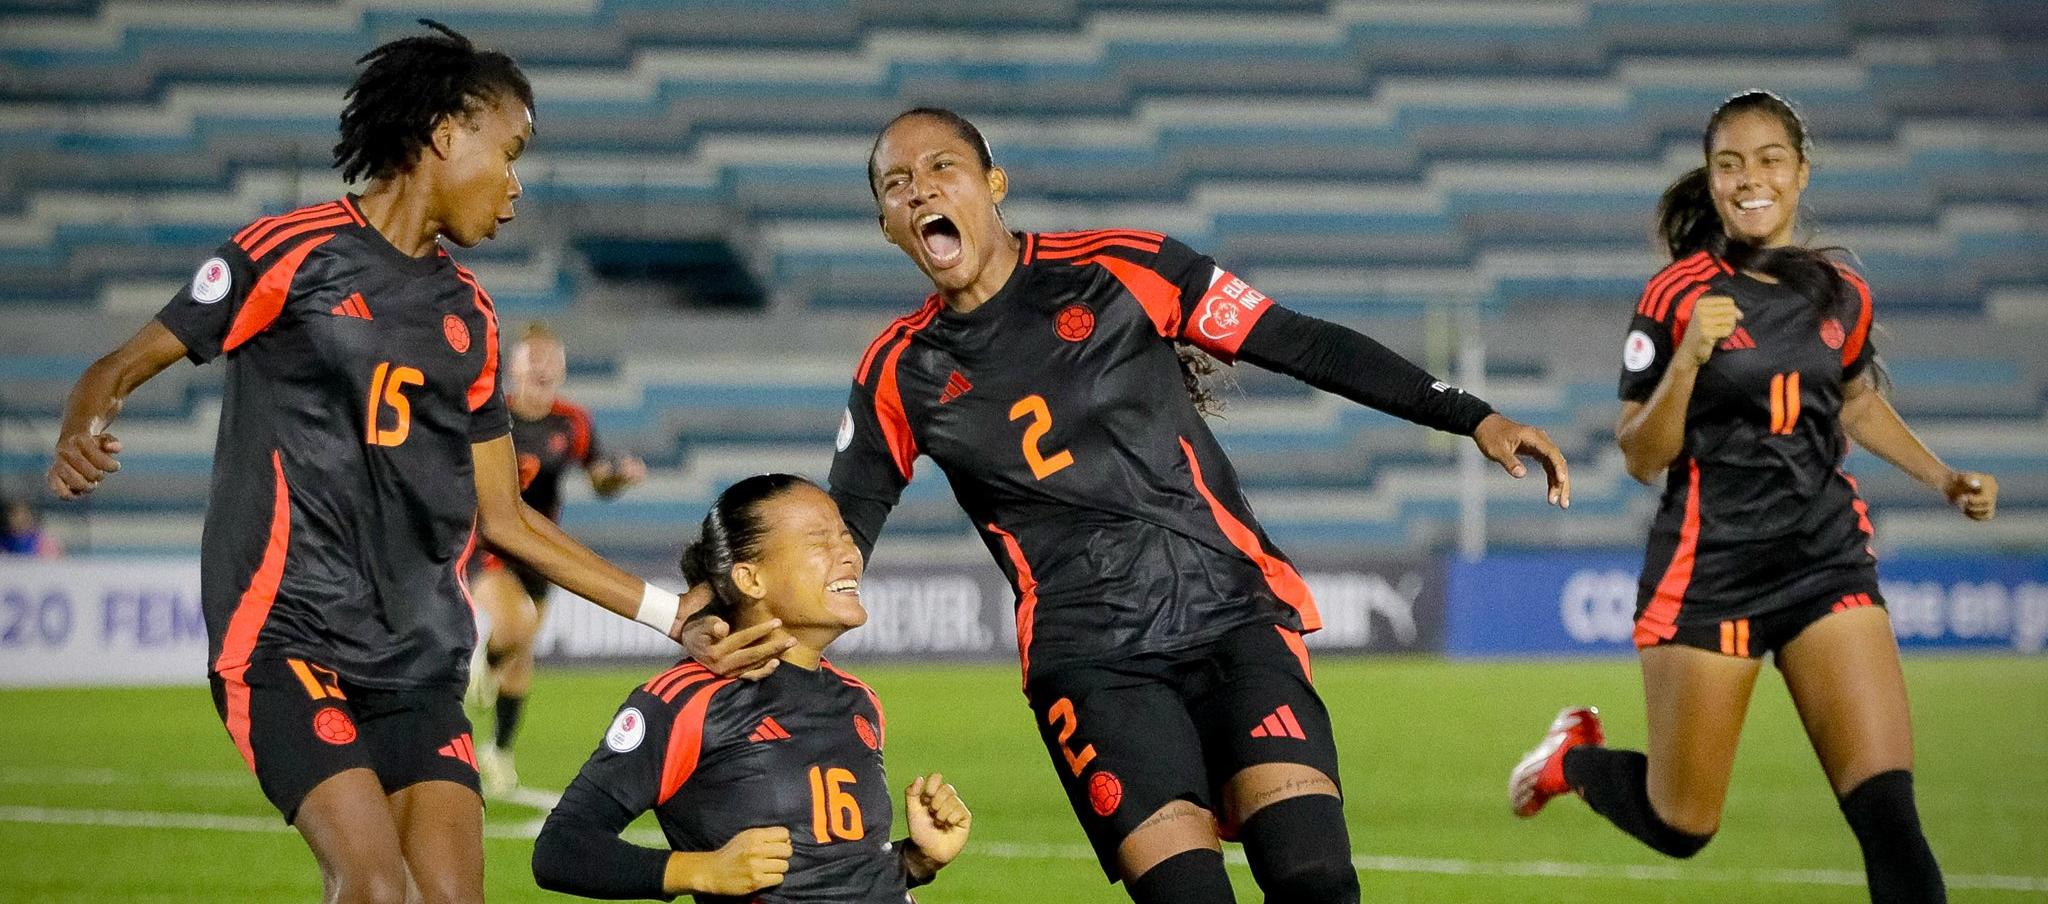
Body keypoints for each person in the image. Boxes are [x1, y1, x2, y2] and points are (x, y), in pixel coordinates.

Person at [44, 21, 780, 904]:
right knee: (373, 887)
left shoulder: (469, 318)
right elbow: (119, 365)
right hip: (285, 640)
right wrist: (87, 417)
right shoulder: (290, 252)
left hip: (418, 658)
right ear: (444, 134)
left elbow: (505, 519)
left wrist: (673, 615)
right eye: (508, 155)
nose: (514, 191)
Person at [831, 107, 1570, 904]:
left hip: (1232, 613)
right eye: (898, 185)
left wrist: (1471, 415)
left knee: (1314, 876)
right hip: (1092, 659)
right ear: (887, 226)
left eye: (942, 167)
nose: (920, 191)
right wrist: (746, 610)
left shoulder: (1122, 265)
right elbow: (840, 535)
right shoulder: (900, 373)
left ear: (993, 184)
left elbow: (1300, 341)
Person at [1509, 90, 1997, 904]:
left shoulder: (1841, 291)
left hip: (1825, 560)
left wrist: (1942, 477)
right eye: (1729, 164)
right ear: (1711, 178)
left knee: (1888, 815)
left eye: (1770, 159)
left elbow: (1853, 401)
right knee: (1684, 826)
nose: (1750, 179)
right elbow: (1640, 455)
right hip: (1711, 571)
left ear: (1801, 174)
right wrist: (1689, 358)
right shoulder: (1674, 297)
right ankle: (1569, 762)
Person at [533, 474, 972, 902]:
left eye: (844, 536)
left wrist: (914, 861)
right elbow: (561, 849)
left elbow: (832, 873)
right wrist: (700, 871)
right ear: (750, 579)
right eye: (821, 542)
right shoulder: (686, 700)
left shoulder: (860, 700)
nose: (849, 554)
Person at [470, 321, 648, 793]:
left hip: (540, 549)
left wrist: (619, 478)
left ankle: (499, 750)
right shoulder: (493, 416)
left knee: (523, 651)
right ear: (515, 366)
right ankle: (480, 669)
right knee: (515, 624)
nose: (544, 369)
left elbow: (598, 479)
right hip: (490, 542)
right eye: (535, 359)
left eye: (552, 360)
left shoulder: (572, 422)